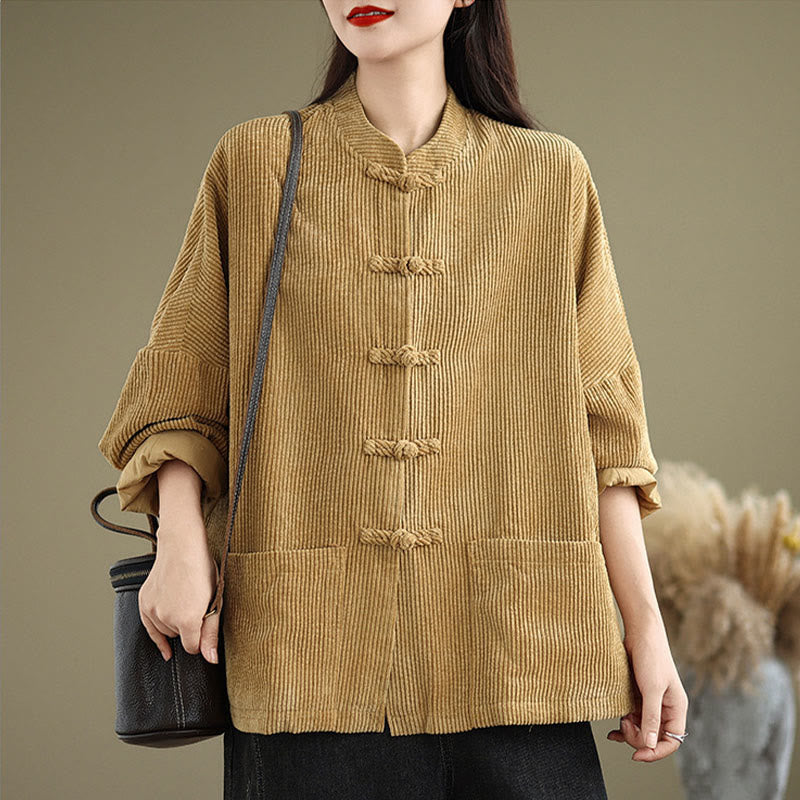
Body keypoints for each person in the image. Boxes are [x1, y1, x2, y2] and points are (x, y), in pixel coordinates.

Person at [97, 0, 689, 797]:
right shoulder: (257, 162)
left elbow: (606, 434)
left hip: (520, 659)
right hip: (308, 666)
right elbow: (184, 381)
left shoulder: (550, 178)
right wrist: (177, 543)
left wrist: (646, 630)